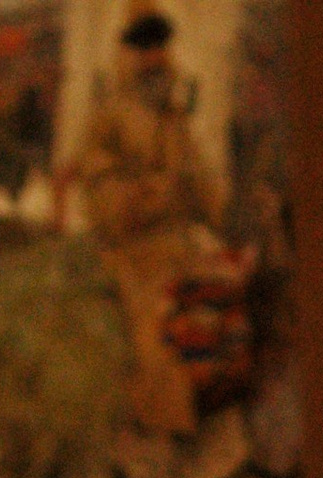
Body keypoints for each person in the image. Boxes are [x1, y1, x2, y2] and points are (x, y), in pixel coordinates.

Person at [67, 7, 224, 441]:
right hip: (131, 258)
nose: (155, 58)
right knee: (157, 343)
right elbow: (100, 191)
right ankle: (163, 444)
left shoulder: (176, 116)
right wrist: (148, 194)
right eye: (144, 48)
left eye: (160, 47)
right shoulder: (110, 116)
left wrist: (228, 214)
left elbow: (202, 185)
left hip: (182, 250)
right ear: (128, 55)